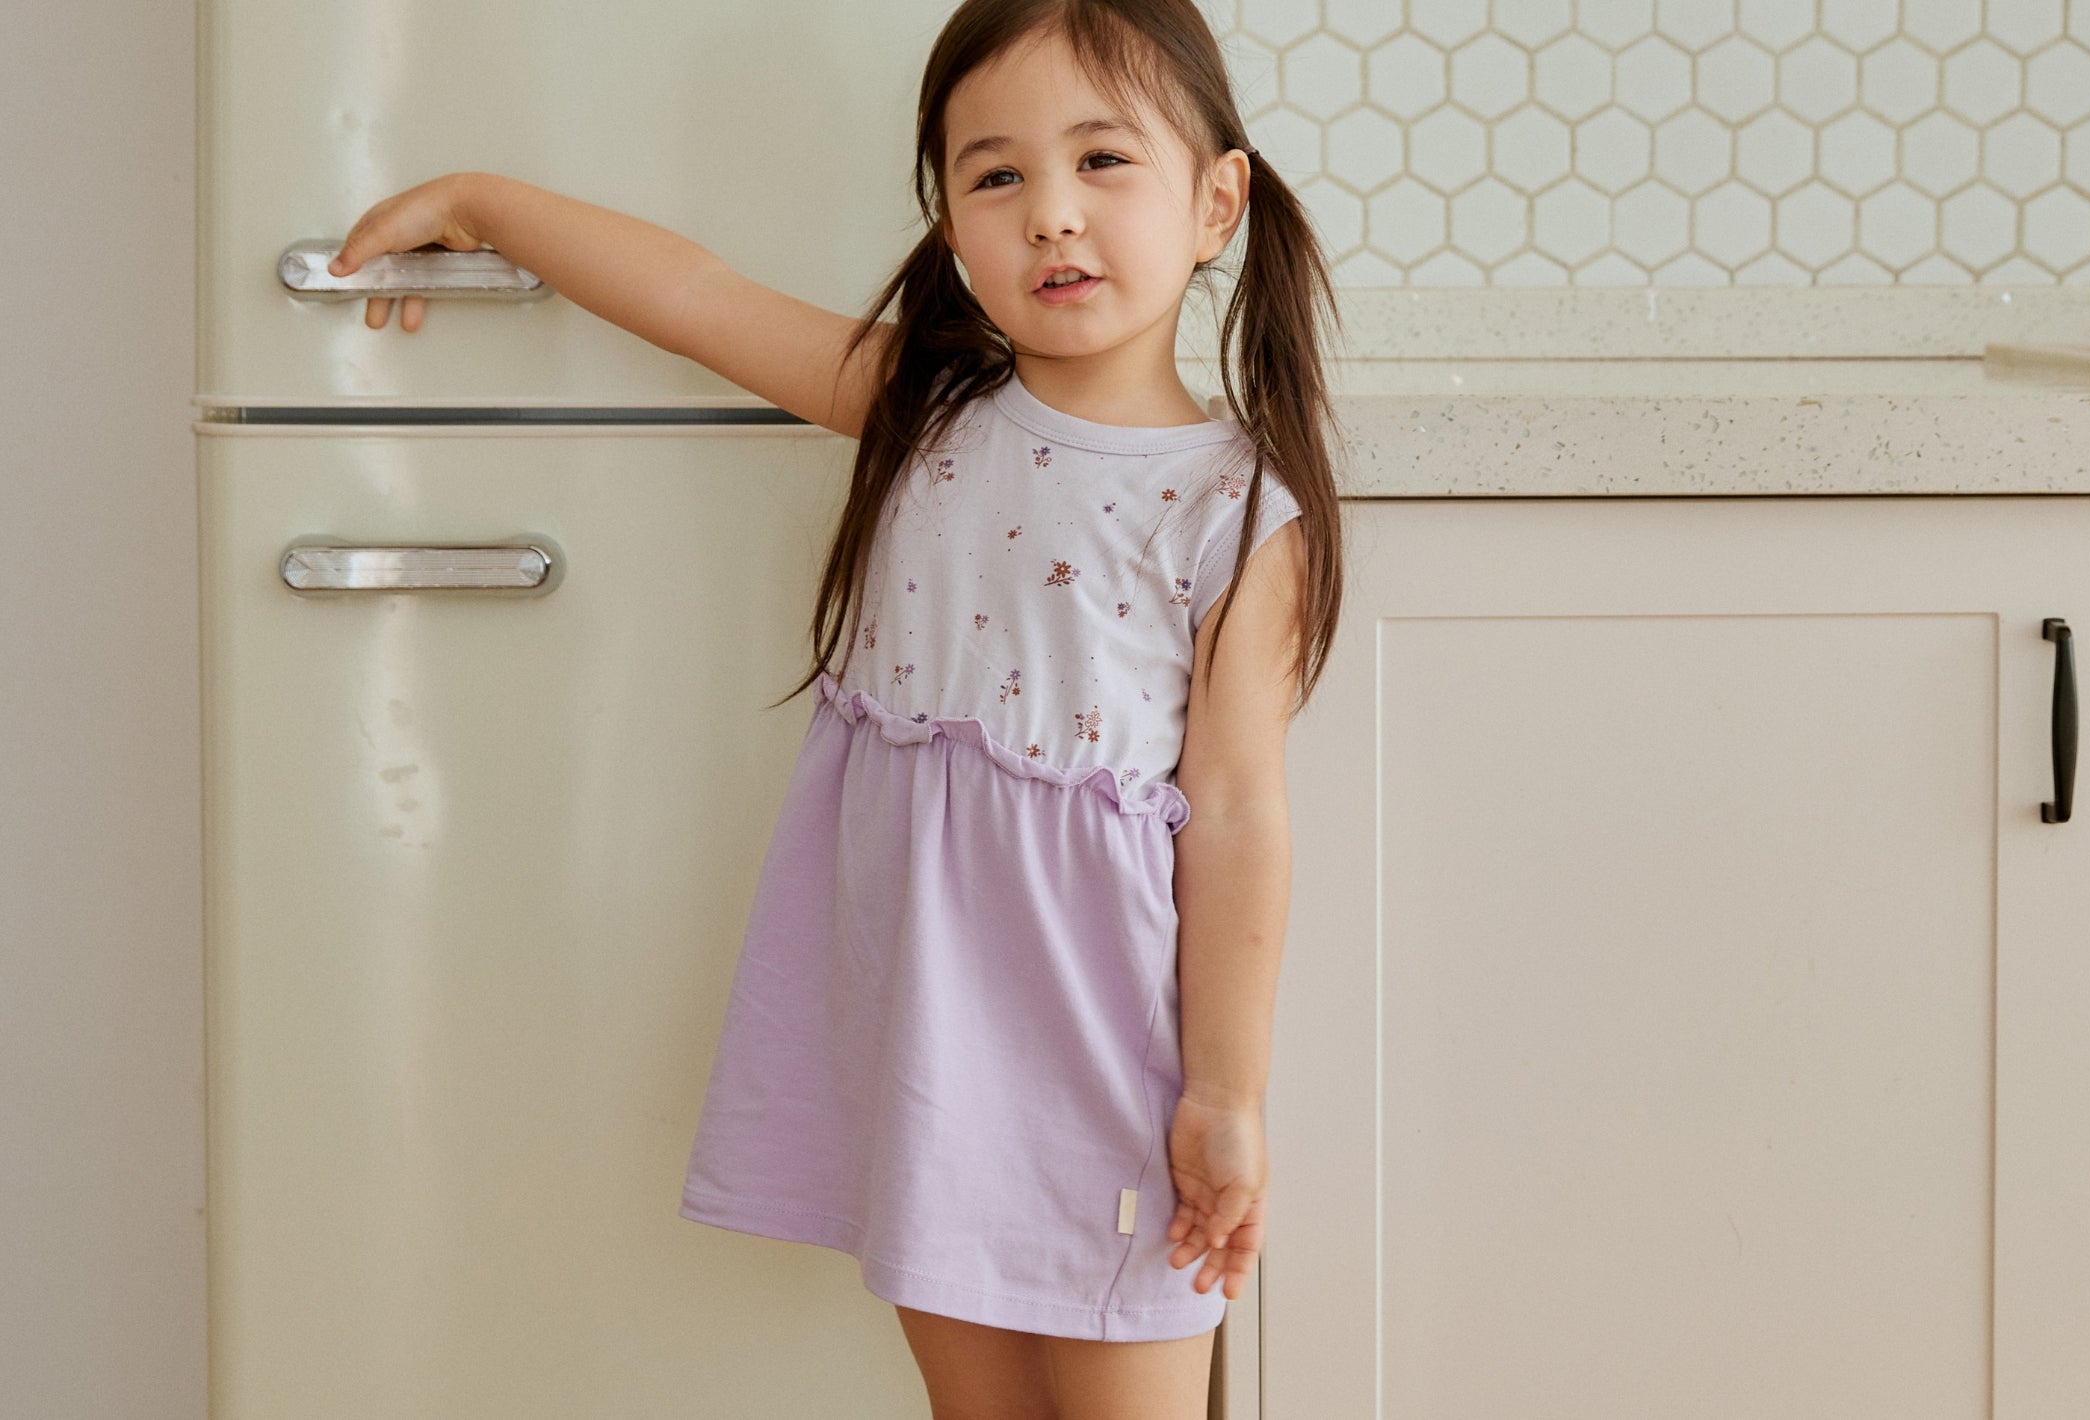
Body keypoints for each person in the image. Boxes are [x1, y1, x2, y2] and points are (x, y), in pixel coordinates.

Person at [325, 0, 1346, 1412]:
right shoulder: (923, 412)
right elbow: (694, 294)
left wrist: (1226, 1097)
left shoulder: (1235, 510)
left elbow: (1237, 812)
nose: (1051, 215)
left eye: (1103, 161)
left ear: (1216, 199)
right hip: (928, 1037)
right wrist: (482, 199)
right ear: (950, 223)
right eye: (996, 177)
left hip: (1112, 1056)